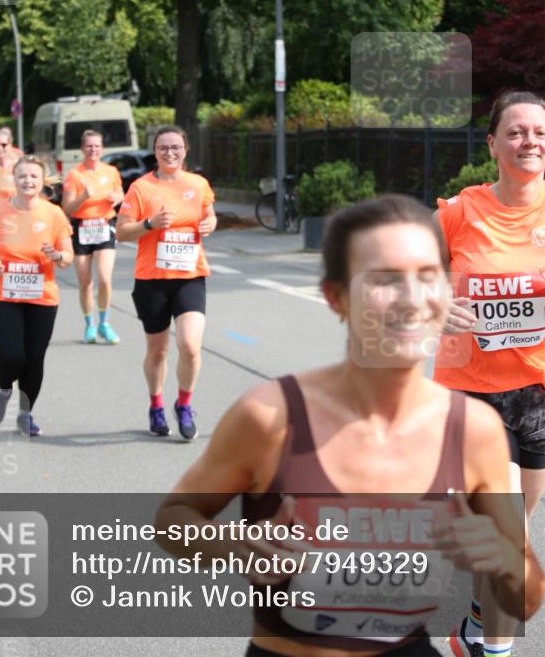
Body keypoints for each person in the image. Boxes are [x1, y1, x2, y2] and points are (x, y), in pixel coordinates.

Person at [157, 195, 544, 657]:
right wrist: (230, 543)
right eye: (384, 279)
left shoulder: (472, 430)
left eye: (427, 277)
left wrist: (503, 562)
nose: (411, 298)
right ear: (336, 296)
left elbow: (527, 592)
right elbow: (173, 518)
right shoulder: (271, 416)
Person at [432, 90, 545, 657]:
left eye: (540, 133)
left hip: (540, 393)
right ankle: (495, 650)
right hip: (473, 394)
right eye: (518, 131)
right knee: (509, 543)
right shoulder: (458, 211)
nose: (531, 142)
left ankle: (476, 625)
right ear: (494, 143)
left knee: (514, 523)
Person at [115, 125, 216, 440]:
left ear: (185, 150)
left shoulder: (198, 184)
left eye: (175, 147)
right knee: (158, 351)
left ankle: (184, 405)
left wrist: (212, 222)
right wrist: (150, 223)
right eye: (163, 148)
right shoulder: (141, 188)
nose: (169, 152)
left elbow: (209, 214)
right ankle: (156, 406)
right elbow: (121, 231)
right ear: (154, 152)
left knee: (190, 345)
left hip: (189, 276)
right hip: (152, 279)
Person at [0, 155, 73, 437]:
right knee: (12, 355)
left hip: (42, 296)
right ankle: (4, 389)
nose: (28, 181)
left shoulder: (53, 214)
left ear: (42, 182)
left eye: (33, 177)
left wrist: (58, 255)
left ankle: (26, 414)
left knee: (34, 358)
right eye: (23, 177)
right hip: (2, 294)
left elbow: (67, 256)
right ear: (14, 180)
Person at [62, 129, 124, 344]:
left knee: (105, 279)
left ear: (102, 148)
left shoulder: (111, 171)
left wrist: (117, 198)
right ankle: (90, 325)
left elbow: (120, 194)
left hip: (104, 226)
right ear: (82, 149)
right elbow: (67, 208)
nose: (93, 149)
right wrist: (83, 196)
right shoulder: (74, 175)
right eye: (89, 145)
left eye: (97, 146)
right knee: (85, 282)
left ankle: (104, 324)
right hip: (81, 229)